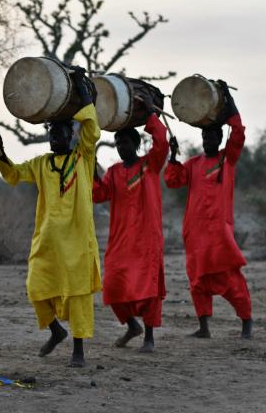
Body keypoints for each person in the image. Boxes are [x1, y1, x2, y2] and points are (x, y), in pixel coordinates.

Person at [0, 67, 101, 367]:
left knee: (77, 296)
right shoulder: (41, 163)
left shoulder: (83, 159)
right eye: (51, 133)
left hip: (77, 241)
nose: (55, 138)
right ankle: (55, 330)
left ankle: (79, 350)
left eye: (61, 133)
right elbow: (13, 174)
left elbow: (92, 131)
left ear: (71, 136)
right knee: (36, 287)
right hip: (48, 241)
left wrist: (80, 86)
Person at [164, 81, 253, 339]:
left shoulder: (228, 159)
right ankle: (204, 327)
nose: (208, 140)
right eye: (205, 136)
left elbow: (237, 131)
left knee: (230, 280)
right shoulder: (192, 164)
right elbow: (172, 180)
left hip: (219, 234)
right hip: (195, 234)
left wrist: (226, 98)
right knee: (197, 281)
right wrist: (172, 156)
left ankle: (247, 322)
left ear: (218, 137)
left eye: (213, 136)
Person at [92, 94, 168, 353]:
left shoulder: (150, 165)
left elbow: (161, 145)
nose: (122, 146)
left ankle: (149, 337)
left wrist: (150, 115)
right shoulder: (113, 172)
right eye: (118, 142)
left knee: (148, 289)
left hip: (147, 239)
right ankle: (131, 325)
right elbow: (98, 194)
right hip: (121, 241)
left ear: (136, 144)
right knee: (113, 284)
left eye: (126, 142)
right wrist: (92, 164)